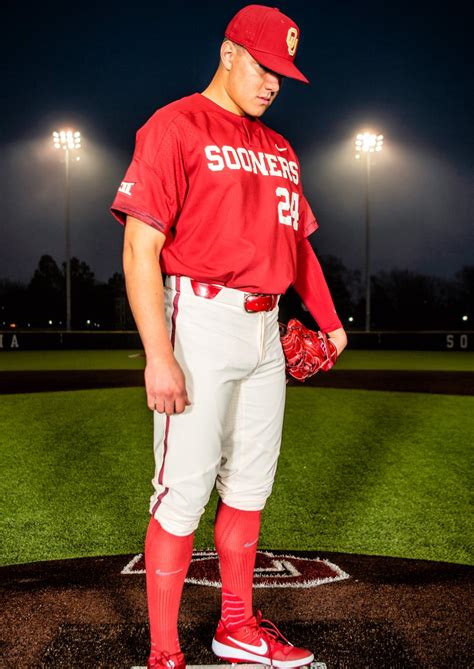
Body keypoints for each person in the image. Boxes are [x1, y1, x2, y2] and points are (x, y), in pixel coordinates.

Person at [111, 5, 347, 668]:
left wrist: (330, 323)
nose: (274, 83)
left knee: (249, 485)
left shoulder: (280, 149)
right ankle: (164, 651)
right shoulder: (174, 124)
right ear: (228, 52)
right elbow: (140, 246)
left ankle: (236, 628)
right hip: (198, 321)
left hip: (266, 330)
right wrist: (160, 354)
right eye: (266, 66)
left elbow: (297, 247)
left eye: (284, 74)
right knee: (184, 489)